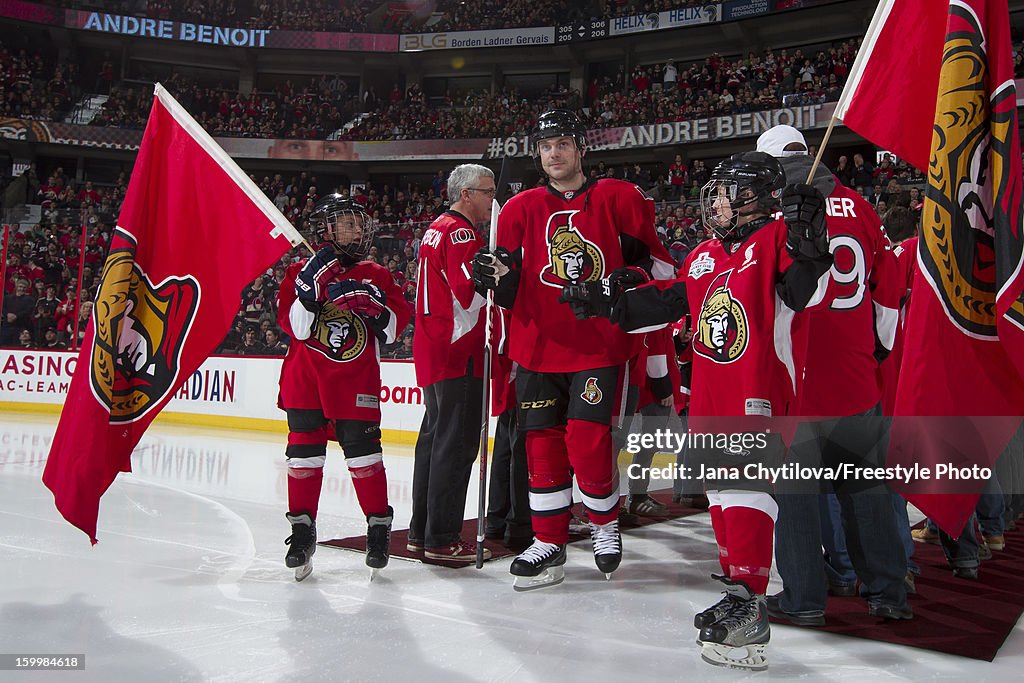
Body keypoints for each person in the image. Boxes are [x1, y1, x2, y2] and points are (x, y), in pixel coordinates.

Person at [562, 151, 832, 670]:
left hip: (757, 390)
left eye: (728, 191)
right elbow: (670, 300)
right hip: (708, 393)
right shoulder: (706, 254)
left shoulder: (775, 239)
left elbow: (799, 291)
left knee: (746, 489)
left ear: (754, 196)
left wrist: (809, 244)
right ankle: (738, 593)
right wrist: (608, 300)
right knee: (723, 495)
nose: (719, 201)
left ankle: (750, 602)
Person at [472, 109, 674, 591]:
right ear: (537, 154)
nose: (554, 153)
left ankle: (604, 526)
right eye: (546, 146)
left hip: (598, 347)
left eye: (563, 143)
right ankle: (549, 542)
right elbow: (506, 286)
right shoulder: (518, 209)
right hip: (537, 347)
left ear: (581, 148)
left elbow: (661, 270)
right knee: (540, 446)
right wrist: (492, 282)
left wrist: (632, 279)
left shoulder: (619, 198)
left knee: (588, 440)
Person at [755, 124, 911, 626]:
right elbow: (888, 288)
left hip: (797, 379)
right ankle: (887, 592)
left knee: (796, 498)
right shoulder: (862, 208)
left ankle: (804, 598)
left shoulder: (775, 214)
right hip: (855, 374)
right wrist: (879, 348)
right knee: (867, 493)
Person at [276, 194, 411, 581]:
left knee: (364, 456)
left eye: (358, 222)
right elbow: (298, 328)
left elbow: (392, 329)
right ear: (328, 229)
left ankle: (378, 528)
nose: (356, 229)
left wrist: (374, 305)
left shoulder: (377, 274)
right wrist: (309, 287)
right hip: (306, 381)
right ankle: (301, 533)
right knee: (302, 458)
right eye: (346, 222)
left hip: (356, 380)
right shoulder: (300, 269)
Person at [410, 163, 495, 563]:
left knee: (433, 440)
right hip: (458, 350)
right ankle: (442, 537)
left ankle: (420, 531)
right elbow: (469, 293)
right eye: (487, 192)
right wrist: (499, 271)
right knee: (456, 446)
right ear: (466, 195)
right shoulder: (462, 232)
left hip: (433, 347)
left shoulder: (434, 229)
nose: (492, 199)